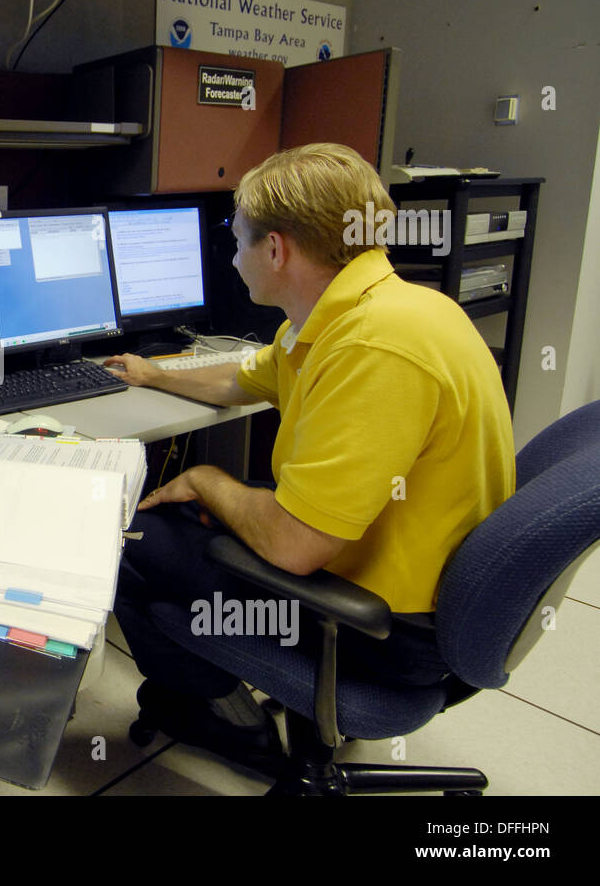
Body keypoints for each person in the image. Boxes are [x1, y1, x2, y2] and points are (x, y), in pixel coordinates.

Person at [102, 143, 515, 774]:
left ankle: (216, 715)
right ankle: (211, 686)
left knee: (131, 538)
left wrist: (210, 481)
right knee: (200, 515)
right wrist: (154, 374)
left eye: (237, 239)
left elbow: (295, 547)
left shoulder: (375, 346)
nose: (233, 254)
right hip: (405, 570)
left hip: (386, 630)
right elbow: (240, 379)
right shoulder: (367, 311)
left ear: (276, 250)